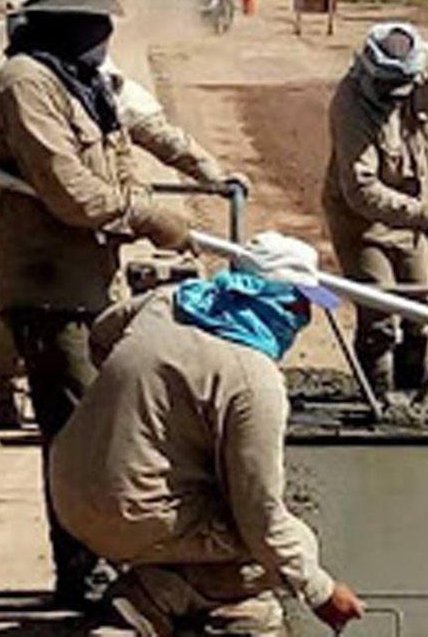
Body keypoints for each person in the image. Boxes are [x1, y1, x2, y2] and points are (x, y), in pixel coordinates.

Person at [0, 0, 195, 608]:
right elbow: (69, 191)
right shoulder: (25, 84)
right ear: (63, 22)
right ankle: (84, 575)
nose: (105, 33)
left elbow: (118, 161)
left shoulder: (85, 82)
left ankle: (98, 564)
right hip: (45, 287)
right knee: (76, 441)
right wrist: (150, 216)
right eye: (94, 21)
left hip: (88, 282)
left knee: (101, 433)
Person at [50, 232, 366, 635]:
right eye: (301, 303)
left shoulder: (168, 301)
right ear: (285, 302)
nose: (304, 317)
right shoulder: (254, 381)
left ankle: (145, 601)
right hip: (133, 512)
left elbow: (101, 334)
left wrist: (135, 405)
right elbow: (260, 516)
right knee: (278, 544)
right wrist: (322, 592)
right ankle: (180, 611)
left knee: (230, 525)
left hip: (69, 486)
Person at [0, 52, 249, 427]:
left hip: (95, 242)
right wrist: (144, 217)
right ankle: (4, 392)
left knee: (103, 313)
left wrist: (215, 176)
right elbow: (62, 186)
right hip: (35, 247)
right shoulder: (34, 99)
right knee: (7, 317)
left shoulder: (111, 93)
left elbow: (166, 138)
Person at [321, 24, 428, 392]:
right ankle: (377, 397)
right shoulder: (350, 104)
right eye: (385, 87)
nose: (393, 97)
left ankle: (415, 394)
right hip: (362, 222)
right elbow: (361, 190)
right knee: (379, 310)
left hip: (414, 221)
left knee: (420, 310)